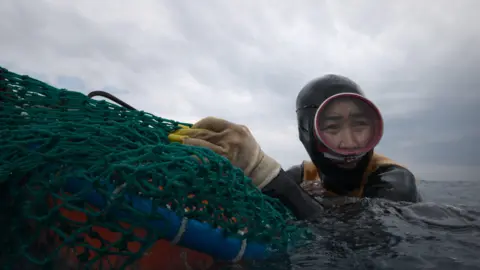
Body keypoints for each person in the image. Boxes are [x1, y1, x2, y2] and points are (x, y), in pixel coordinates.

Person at [170, 74, 421, 221]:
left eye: (360, 125)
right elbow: (257, 208)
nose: (351, 142)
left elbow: (358, 240)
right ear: (306, 134)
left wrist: (266, 175)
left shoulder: (396, 180)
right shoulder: (303, 175)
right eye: (332, 128)